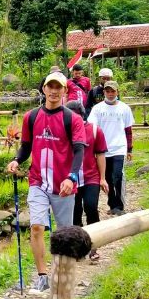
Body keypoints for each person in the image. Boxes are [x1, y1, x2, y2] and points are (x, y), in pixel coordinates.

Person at [7, 72, 86, 291]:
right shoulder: (31, 117)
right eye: (49, 86)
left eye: (58, 87)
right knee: (36, 228)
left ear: (64, 91)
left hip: (64, 185)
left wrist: (72, 177)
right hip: (38, 182)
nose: (53, 91)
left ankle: (63, 275)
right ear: (43, 89)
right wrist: (16, 160)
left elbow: (79, 151)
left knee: (64, 234)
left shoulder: (73, 119)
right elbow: (25, 147)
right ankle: (43, 276)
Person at [65, 101, 109, 261]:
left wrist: (103, 178)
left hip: (91, 177)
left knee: (91, 207)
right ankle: (79, 247)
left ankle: (94, 245)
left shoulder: (95, 131)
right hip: (71, 180)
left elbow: (100, 154)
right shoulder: (64, 131)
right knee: (75, 213)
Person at [87, 81, 134, 216]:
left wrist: (129, 149)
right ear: (104, 93)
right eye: (108, 91)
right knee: (107, 178)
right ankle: (112, 204)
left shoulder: (124, 108)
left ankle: (119, 206)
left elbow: (128, 129)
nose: (110, 94)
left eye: (113, 91)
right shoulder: (97, 109)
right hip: (103, 149)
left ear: (117, 92)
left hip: (119, 147)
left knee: (118, 176)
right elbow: (92, 128)